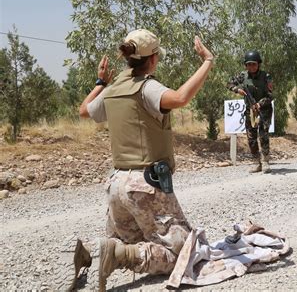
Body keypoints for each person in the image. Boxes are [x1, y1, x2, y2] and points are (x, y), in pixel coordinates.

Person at [66, 29, 214, 291]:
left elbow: (83, 111)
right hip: (145, 186)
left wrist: (100, 82)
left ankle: (94, 252)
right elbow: (180, 98)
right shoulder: (147, 86)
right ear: (153, 59)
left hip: (116, 184)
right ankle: (117, 256)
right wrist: (207, 62)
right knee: (185, 252)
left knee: (136, 240)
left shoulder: (111, 90)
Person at [227, 50, 273, 173]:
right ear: (245, 65)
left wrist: (259, 104)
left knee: (263, 136)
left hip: (264, 110)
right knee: (251, 137)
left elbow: (271, 95)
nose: (251, 67)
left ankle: (265, 161)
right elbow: (229, 83)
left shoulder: (266, 76)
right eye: (249, 64)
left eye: (254, 64)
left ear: (258, 64)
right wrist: (237, 89)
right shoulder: (243, 76)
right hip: (250, 111)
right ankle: (256, 162)